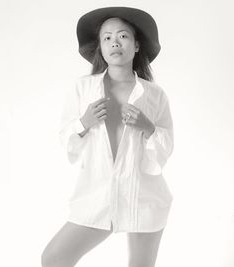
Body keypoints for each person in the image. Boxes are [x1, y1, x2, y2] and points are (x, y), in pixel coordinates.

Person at [41, 6, 174, 267]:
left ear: (136, 46)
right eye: (107, 37)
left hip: (144, 197)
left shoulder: (154, 94)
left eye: (123, 36)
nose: (115, 42)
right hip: (97, 196)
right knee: (54, 258)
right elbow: (64, 140)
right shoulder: (83, 88)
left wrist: (147, 126)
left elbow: (167, 147)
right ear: (100, 48)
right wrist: (84, 122)